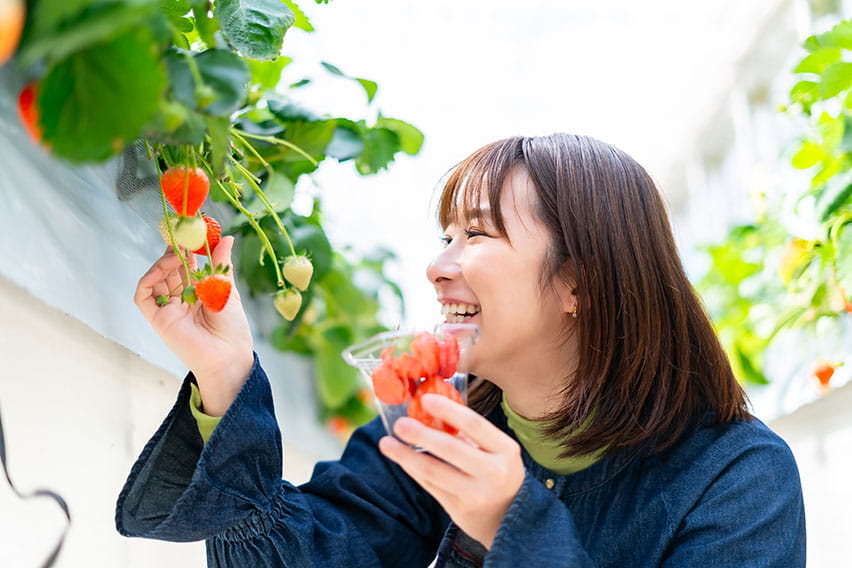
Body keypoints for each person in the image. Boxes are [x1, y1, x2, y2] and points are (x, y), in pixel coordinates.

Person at [116, 134, 806, 567]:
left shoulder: (739, 478)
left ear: (580, 282)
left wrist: (511, 524)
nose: (438, 267)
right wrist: (227, 374)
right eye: (445, 237)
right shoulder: (438, 426)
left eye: (476, 235)